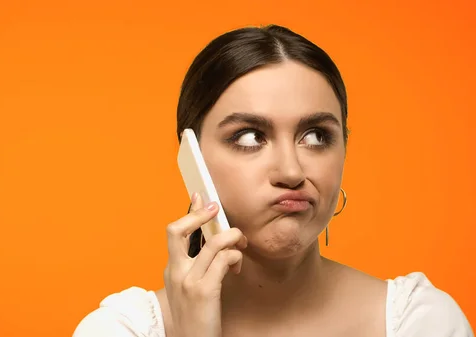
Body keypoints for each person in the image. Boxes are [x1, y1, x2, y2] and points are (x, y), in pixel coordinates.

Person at [72, 24, 473, 337]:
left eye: (316, 136)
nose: (292, 171)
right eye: (249, 137)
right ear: (190, 159)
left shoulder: (421, 322)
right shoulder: (121, 329)